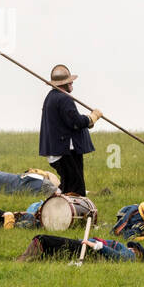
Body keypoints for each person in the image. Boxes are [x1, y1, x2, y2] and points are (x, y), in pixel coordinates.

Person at [39, 63, 101, 197]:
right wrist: (92, 117)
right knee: (76, 190)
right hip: (66, 150)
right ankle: (75, 216)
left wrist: (88, 122)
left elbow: (68, 122)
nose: (72, 83)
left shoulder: (52, 97)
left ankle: (60, 214)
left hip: (59, 150)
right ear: (64, 83)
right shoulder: (63, 98)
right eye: (69, 81)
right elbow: (76, 122)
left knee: (67, 187)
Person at [16, 235, 144, 262]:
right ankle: (28, 259)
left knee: (44, 240)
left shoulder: (131, 256)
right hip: (87, 248)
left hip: (90, 251)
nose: (132, 249)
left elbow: (117, 257)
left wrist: (94, 245)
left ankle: (24, 259)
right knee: (51, 248)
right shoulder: (123, 248)